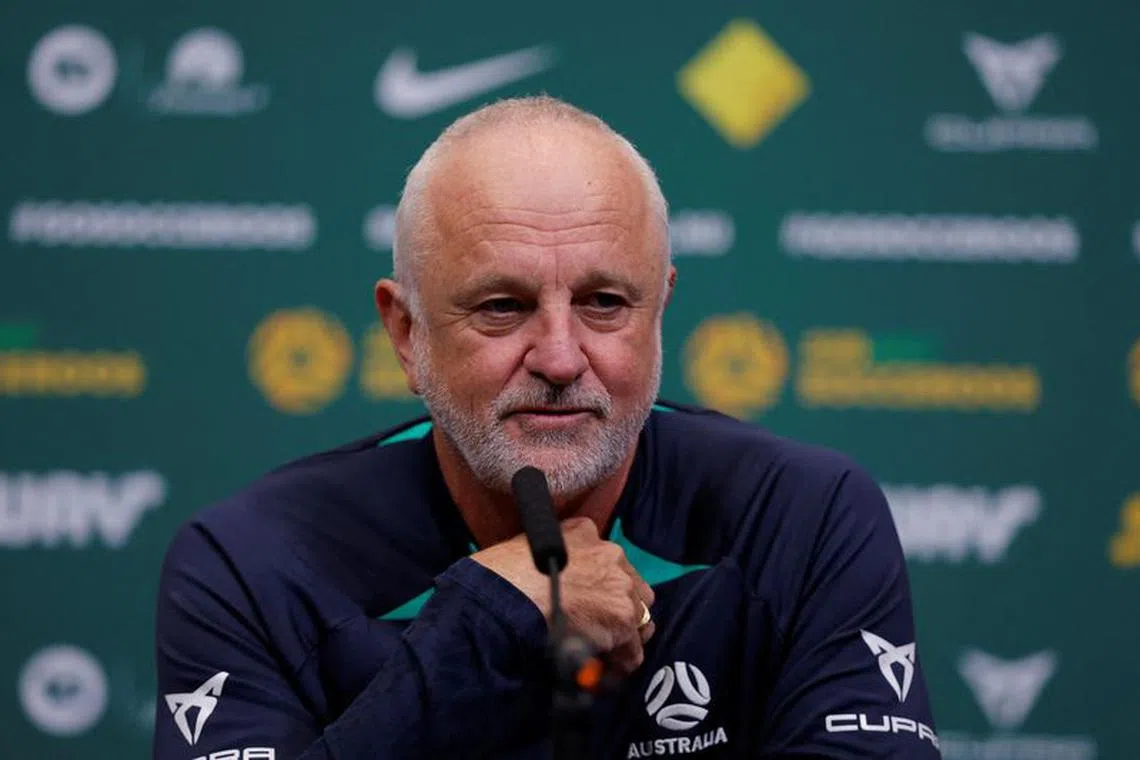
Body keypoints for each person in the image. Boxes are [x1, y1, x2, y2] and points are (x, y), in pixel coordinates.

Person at [153, 95, 941, 759]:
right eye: (503, 307)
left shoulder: (802, 516)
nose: (562, 358)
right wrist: (492, 617)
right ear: (406, 334)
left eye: (605, 304)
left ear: (658, 311)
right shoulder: (251, 564)